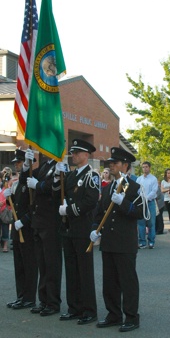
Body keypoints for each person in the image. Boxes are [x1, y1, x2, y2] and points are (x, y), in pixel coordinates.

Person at [90, 147, 144, 332]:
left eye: (115, 163)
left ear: (125, 165)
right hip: (109, 242)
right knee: (110, 281)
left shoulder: (135, 187)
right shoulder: (108, 187)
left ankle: (131, 317)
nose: (111, 166)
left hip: (125, 242)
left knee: (127, 281)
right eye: (110, 163)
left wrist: (124, 203)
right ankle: (113, 314)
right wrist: (94, 229)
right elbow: (100, 212)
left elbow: (141, 212)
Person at [53, 139, 100, 325]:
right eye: (72, 152)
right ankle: (74, 307)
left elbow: (91, 201)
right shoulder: (71, 175)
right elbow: (58, 193)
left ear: (86, 155)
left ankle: (89, 310)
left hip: (82, 228)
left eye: (77, 152)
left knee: (84, 271)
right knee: (71, 270)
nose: (73, 155)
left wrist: (70, 210)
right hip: (69, 229)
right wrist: (57, 178)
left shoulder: (92, 175)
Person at [21, 150, 62, 317]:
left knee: (52, 264)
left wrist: (37, 185)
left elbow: (56, 189)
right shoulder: (46, 165)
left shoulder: (59, 166)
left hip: (51, 222)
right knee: (42, 263)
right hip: (39, 222)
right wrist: (26, 164)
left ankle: (53, 302)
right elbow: (26, 180)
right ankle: (43, 300)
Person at [4, 149, 38, 310]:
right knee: (19, 264)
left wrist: (24, 221)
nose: (17, 165)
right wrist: (8, 198)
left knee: (29, 264)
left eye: (19, 162)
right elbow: (15, 206)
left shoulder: (32, 182)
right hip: (17, 229)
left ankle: (29, 297)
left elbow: (34, 207)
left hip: (27, 229)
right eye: (16, 163)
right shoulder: (16, 183)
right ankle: (21, 296)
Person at [137, 161, 158, 249]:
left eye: (146, 167)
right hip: (141, 203)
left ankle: (151, 241)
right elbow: (137, 190)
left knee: (151, 223)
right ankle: (142, 241)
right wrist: (141, 198)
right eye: (143, 167)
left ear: (149, 168)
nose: (145, 169)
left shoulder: (153, 179)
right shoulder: (139, 179)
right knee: (141, 223)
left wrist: (146, 198)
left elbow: (154, 191)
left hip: (150, 202)